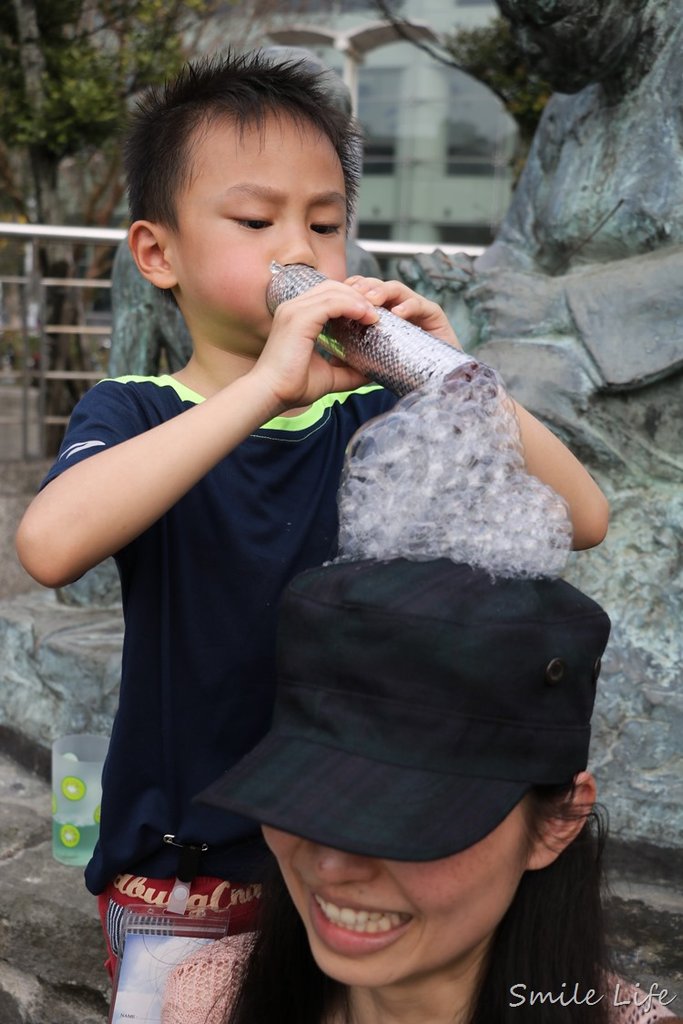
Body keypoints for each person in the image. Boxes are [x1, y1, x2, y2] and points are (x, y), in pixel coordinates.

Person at [14, 50, 608, 979]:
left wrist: (454, 376)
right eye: (256, 220)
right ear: (157, 252)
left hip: (353, 860)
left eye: (325, 225)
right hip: (189, 870)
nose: (299, 249)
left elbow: (581, 515)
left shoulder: (370, 408)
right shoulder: (137, 411)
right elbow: (50, 545)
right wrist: (260, 389)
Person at [162, 556, 676, 1024]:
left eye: (408, 820)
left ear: (557, 824)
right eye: (305, 800)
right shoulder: (208, 1003)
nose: (333, 865)